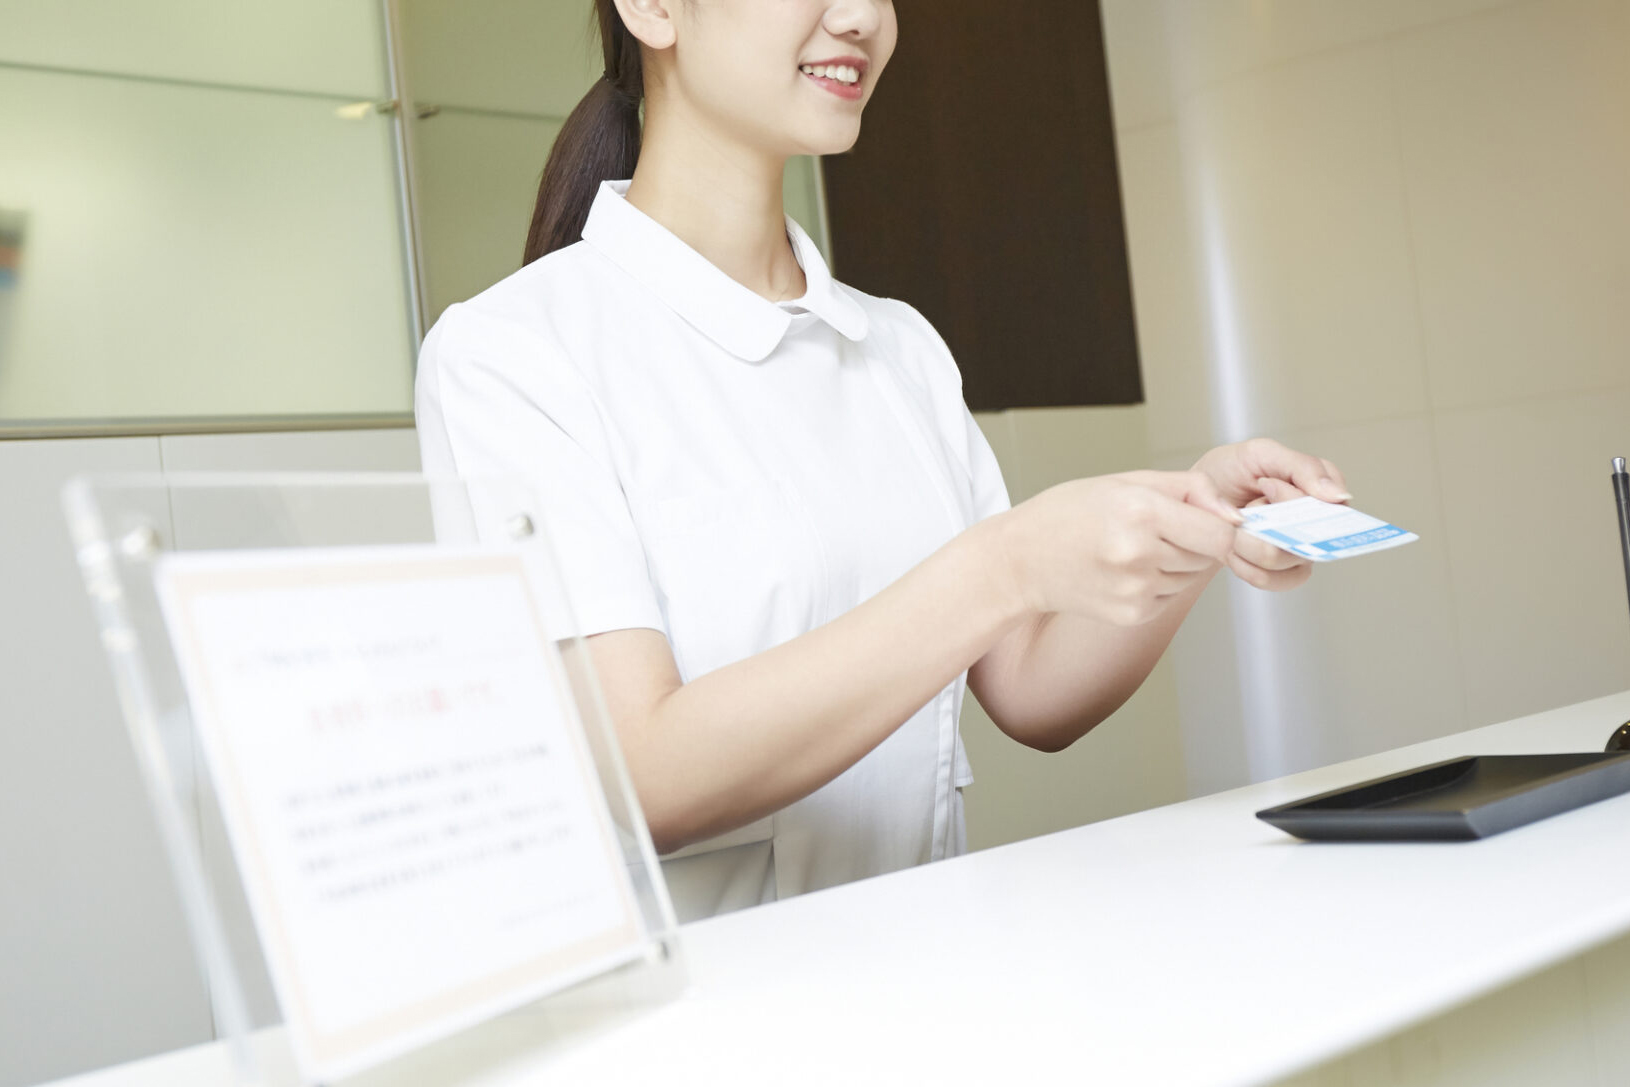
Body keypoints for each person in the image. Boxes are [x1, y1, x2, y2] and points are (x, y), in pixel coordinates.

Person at [415, 0, 1350, 922]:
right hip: (711, 1005)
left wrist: (1201, 519)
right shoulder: (511, 354)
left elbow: (1032, 689)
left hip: (928, 972)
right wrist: (1003, 566)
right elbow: (644, 774)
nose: (863, 17)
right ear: (654, 9)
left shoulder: (898, 345)